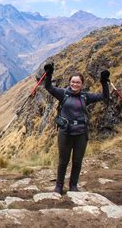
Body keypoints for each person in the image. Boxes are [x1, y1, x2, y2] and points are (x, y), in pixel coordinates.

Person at [43, 63, 109, 194]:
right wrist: (49, 73)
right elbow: (48, 87)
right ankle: (59, 186)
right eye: (73, 82)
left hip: (81, 134)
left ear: (82, 84)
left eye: (78, 82)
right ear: (69, 83)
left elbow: (104, 97)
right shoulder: (63, 94)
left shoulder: (86, 96)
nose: (75, 84)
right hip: (65, 133)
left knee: (77, 161)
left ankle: (73, 186)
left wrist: (104, 82)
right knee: (63, 161)